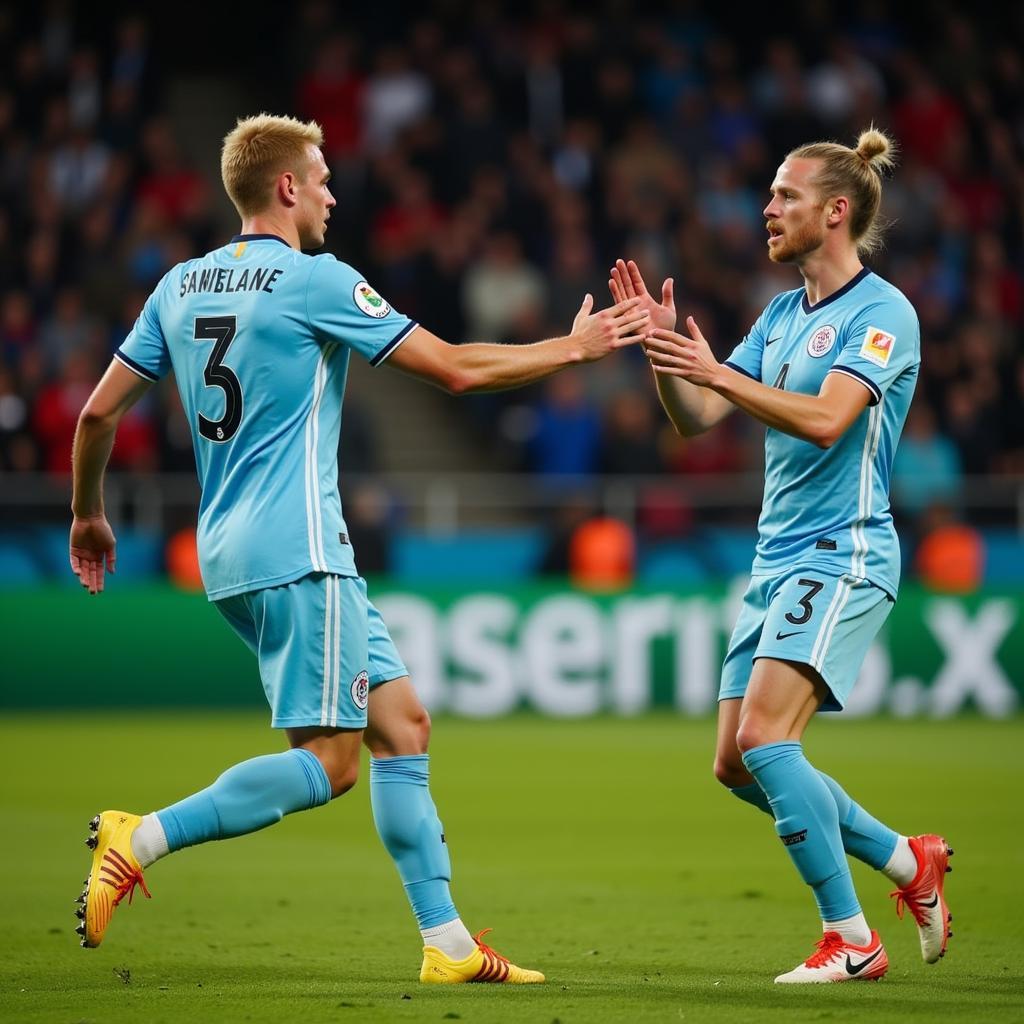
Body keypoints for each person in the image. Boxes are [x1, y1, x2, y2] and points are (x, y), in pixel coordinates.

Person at [69, 113, 649, 984]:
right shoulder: (313, 280)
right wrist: (575, 346)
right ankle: (140, 837)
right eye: (324, 176)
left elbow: (96, 414)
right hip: (302, 551)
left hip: (226, 552)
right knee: (332, 764)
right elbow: (453, 367)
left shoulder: (178, 287)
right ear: (288, 188)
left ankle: (448, 946)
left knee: (403, 726)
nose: (336, 194)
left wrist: (87, 514)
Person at [612, 127, 954, 984]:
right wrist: (665, 354)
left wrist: (717, 374)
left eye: (785, 195)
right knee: (736, 761)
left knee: (768, 738)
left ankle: (851, 938)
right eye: (770, 194)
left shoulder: (883, 314)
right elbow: (699, 419)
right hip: (777, 560)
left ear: (836, 212)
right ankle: (910, 864)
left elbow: (828, 418)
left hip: (846, 550)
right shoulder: (779, 315)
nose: (767, 208)